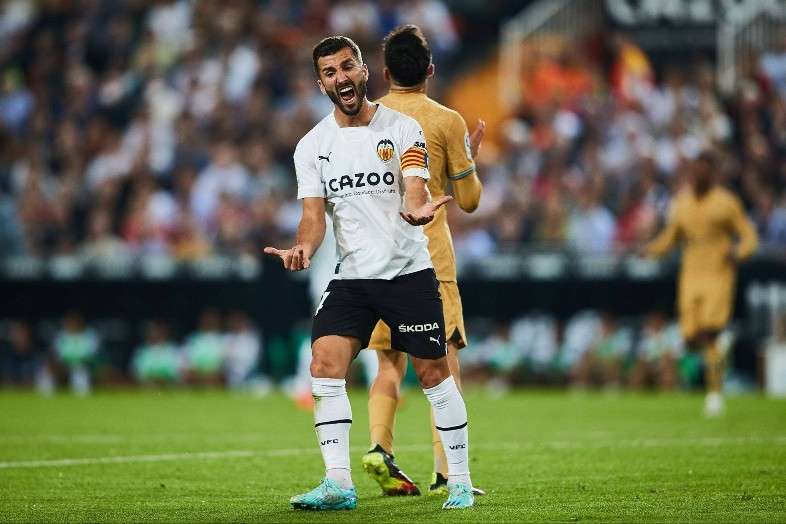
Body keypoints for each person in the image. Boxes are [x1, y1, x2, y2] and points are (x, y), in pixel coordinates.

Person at [264, 35, 475, 511]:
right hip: (353, 279)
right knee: (324, 363)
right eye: (329, 72)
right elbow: (313, 218)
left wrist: (418, 209)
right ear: (321, 84)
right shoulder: (312, 146)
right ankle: (338, 483)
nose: (340, 78)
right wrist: (303, 247)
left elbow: (416, 186)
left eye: (347, 67)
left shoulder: (402, 128)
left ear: (364, 71)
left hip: (408, 273)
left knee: (433, 373)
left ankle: (460, 480)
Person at [360, 24, 486, 497]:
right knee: (443, 366)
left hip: (375, 259)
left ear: (385, 73)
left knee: (388, 364)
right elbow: (469, 200)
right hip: (429, 259)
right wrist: (467, 159)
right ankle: (446, 473)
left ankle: (380, 447)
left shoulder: (366, 121)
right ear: (430, 70)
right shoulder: (446, 121)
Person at [643, 152, 758, 416]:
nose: (697, 176)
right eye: (695, 172)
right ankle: (721, 345)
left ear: (712, 175)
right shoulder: (682, 204)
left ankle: (714, 394)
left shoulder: (726, 203)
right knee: (689, 338)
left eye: (703, 172)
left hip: (719, 276)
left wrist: (738, 252)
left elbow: (749, 237)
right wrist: (649, 250)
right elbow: (670, 237)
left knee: (709, 333)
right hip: (690, 277)